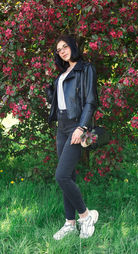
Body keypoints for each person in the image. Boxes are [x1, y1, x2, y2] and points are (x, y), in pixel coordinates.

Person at [46, 34, 99, 240]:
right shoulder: (62, 74)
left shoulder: (86, 69)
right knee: (68, 175)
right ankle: (70, 223)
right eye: (59, 49)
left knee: (61, 176)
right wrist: (50, 93)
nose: (62, 51)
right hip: (62, 127)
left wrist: (82, 127)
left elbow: (91, 101)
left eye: (65, 47)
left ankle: (86, 217)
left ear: (73, 47)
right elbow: (61, 102)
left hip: (76, 126)